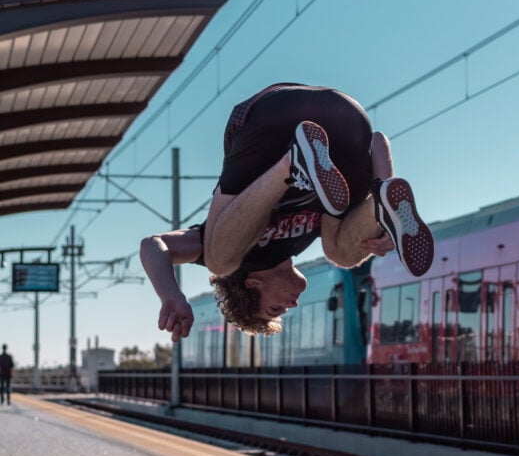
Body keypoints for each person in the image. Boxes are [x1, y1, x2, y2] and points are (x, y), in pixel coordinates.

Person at [140, 83, 434, 340]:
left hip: (271, 117)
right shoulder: (309, 233)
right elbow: (378, 143)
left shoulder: (233, 255)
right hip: (349, 120)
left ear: (253, 283)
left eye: (275, 308)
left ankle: (290, 164)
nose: (292, 305)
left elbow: (154, 245)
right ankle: (382, 207)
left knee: (220, 260)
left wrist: (172, 295)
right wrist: (381, 217)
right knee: (341, 254)